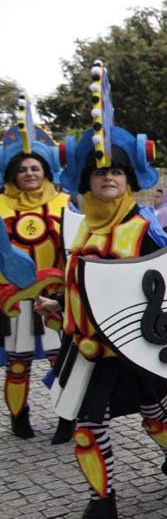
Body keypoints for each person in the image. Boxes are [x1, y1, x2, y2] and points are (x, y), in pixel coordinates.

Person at [45, 61, 167, 518]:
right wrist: (54, 305)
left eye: (116, 171)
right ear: (87, 182)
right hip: (88, 350)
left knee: (156, 418)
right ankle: (103, 499)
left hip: (135, 348)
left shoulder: (144, 230)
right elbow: (79, 287)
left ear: (129, 180)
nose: (108, 177)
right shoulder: (78, 233)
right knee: (87, 427)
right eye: (99, 172)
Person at [0, 94, 74, 443]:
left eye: (35, 168)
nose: (29, 174)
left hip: (55, 296)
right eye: (23, 169)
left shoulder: (64, 204)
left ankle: (67, 417)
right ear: (13, 172)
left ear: (45, 170)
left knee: (61, 362)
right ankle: (19, 417)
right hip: (14, 297)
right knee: (18, 362)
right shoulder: (0, 205)